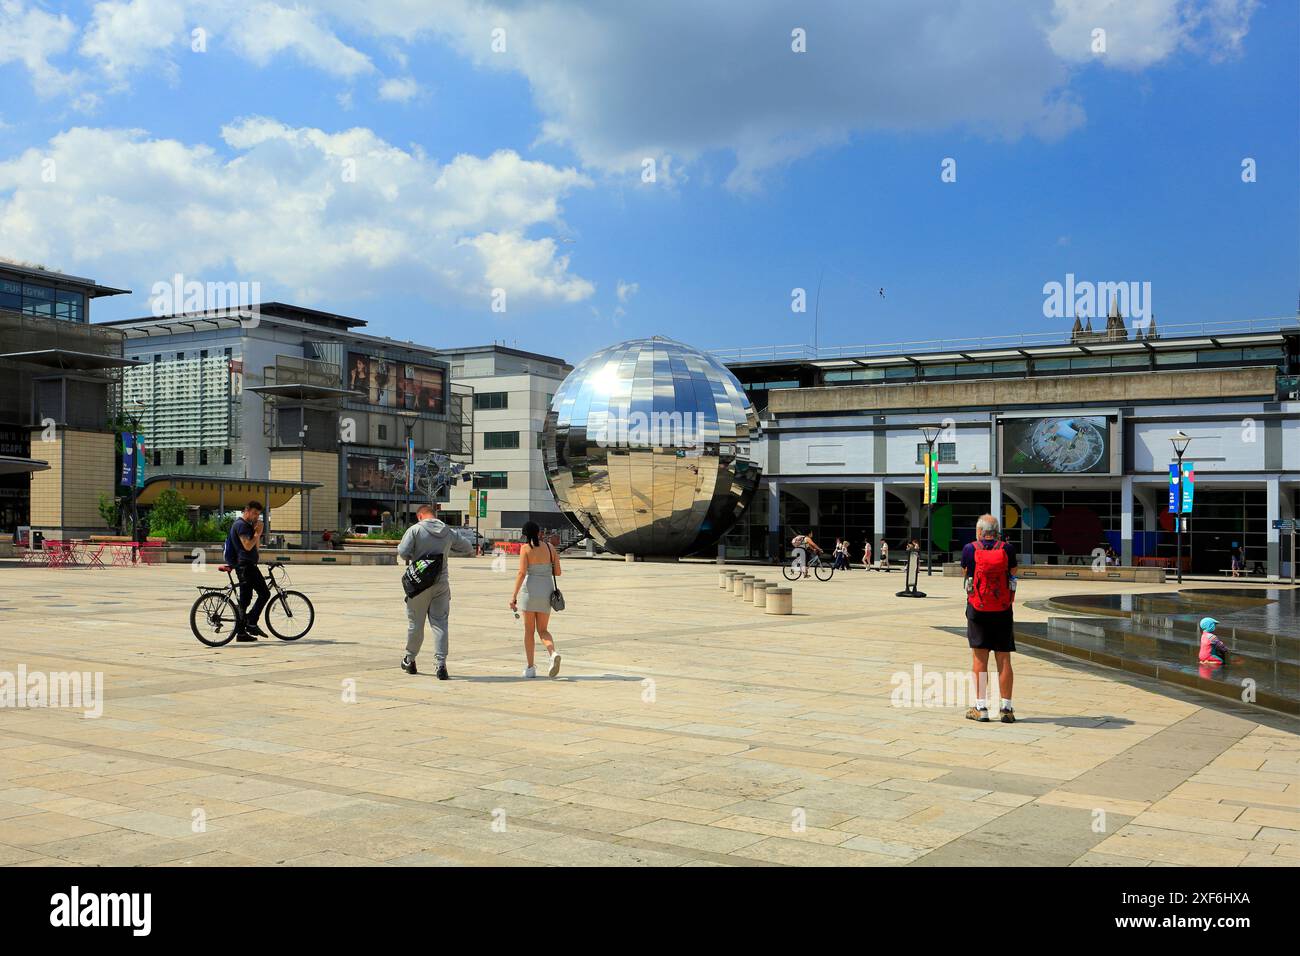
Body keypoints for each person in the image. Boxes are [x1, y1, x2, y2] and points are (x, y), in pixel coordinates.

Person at [398, 504, 473, 680]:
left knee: (415, 624)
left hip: (419, 585)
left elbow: (402, 552)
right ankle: (440, 664)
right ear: (434, 514)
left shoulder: (415, 530)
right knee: (440, 624)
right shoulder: (447, 531)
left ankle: (410, 659)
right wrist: (446, 552)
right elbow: (468, 547)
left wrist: (415, 555)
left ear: (420, 516)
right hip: (441, 583)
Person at [963, 514, 1017, 723]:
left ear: (979, 531)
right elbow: (1013, 572)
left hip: (978, 608)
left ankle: (981, 707)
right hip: (1003, 609)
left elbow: (966, 573)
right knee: (1004, 658)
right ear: (997, 531)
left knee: (980, 658)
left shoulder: (970, 548)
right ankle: (1006, 708)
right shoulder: (1007, 549)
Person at [510, 521, 563, 678]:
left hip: (530, 592)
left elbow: (521, 573)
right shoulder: (550, 548)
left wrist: (513, 596)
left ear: (525, 534)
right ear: (539, 532)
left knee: (529, 631)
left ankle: (530, 668)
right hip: (546, 591)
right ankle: (552, 653)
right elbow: (558, 572)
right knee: (543, 630)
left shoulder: (525, 549)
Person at [223, 501, 269, 642]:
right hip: (245, 566)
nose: (256, 516)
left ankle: (241, 633)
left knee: (245, 600)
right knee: (264, 593)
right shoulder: (241, 525)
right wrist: (258, 532)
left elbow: (255, 547)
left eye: (258, 514)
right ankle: (251, 621)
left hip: (247, 565)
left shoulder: (247, 526)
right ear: (246, 510)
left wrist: (257, 534)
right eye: (254, 513)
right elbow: (248, 546)